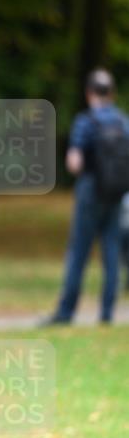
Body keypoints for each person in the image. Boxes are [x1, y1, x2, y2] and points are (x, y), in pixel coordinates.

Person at [42, 69, 129, 325]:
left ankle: (66, 312)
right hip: (116, 193)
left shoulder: (85, 121)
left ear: (89, 92)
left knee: (79, 251)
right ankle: (107, 313)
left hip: (90, 191)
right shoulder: (123, 122)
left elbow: (75, 162)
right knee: (111, 252)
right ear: (112, 93)